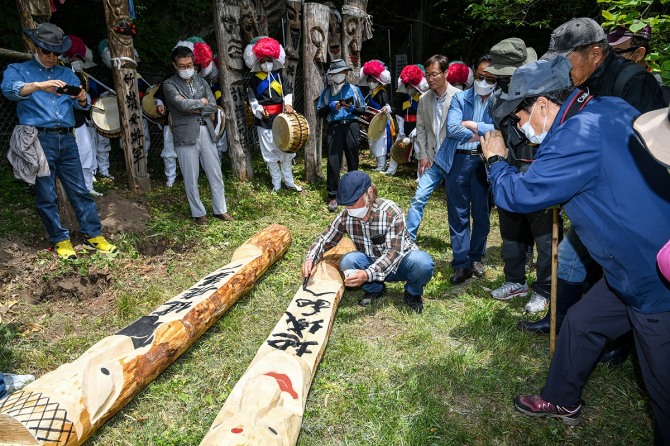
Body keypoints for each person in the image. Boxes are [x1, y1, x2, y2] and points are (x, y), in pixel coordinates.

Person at [480, 56, 670, 443]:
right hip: (627, 269)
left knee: (663, 385)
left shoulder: (573, 137)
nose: (519, 127)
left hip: (652, 279)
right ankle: (561, 398)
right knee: (582, 323)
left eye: (518, 118)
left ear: (544, 105)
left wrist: (496, 159)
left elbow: (518, 196)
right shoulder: (607, 106)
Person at [523, 18, 667, 364]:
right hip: (597, 195)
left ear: (595, 54)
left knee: (611, 270)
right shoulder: (586, 84)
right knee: (574, 260)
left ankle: (621, 340)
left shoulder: (635, 83)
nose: (560, 68)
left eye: (565, 59)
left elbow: (652, 151)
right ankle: (561, 321)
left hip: (635, 205)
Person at [2, 23, 118, 260]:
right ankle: (60, 240)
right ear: (36, 47)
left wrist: (84, 98)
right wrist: (38, 86)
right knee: (46, 194)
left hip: (66, 137)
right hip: (38, 138)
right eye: (46, 51)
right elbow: (8, 90)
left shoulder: (67, 73)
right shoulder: (19, 69)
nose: (51, 57)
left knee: (80, 189)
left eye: (56, 53)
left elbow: (80, 106)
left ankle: (94, 235)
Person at [484, 37, 555, 314]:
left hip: (540, 175)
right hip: (509, 172)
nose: (502, 80)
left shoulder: (547, 95)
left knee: (546, 239)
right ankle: (515, 280)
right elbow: (499, 127)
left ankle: (545, 289)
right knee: (510, 233)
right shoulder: (498, 96)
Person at [302, 171, 434, 313]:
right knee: (348, 261)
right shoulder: (346, 216)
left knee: (422, 263)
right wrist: (311, 258)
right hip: (370, 265)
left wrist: (366, 275)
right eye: (346, 205)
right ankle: (375, 288)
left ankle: (413, 293)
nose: (350, 208)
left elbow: (394, 252)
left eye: (353, 203)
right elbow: (325, 239)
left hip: (400, 263)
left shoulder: (390, 212)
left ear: (369, 193)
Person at [439, 55, 495, 283]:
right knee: (458, 214)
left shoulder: (499, 100)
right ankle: (461, 263)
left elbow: (500, 128)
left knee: (482, 213)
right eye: (480, 76)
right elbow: (452, 128)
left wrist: (473, 125)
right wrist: (483, 133)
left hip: (484, 161)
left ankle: (476, 258)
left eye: (490, 78)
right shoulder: (460, 98)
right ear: (474, 73)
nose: (484, 81)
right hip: (458, 161)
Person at [163, 45, 233, 225]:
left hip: (206, 130)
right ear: (175, 65)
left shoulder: (201, 81)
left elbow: (212, 105)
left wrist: (196, 106)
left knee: (215, 171)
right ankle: (198, 213)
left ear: (194, 63)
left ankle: (220, 209)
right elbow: (182, 105)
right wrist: (200, 104)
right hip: (185, 134)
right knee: (190, 175)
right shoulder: (169, 84)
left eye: (190, 65)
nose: (187, 69)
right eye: (182, 66)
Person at [406, 54, 462, 240]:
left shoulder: (459, 97)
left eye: (435, 74)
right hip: (432, 159)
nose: (430, 78)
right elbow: (420, 129)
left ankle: (459, 245)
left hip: (454, 158)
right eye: (427, 74)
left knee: (456, 204)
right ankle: (408, 239)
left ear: (446, 73)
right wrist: (422, 155)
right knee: (418, 198)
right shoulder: (424, 99)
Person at [244, 36, 302, 192]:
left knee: (287, 150)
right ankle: (276, 183)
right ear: (257, 61)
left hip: (282, 120)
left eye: (269, 59)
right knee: (269, 153)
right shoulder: (254, 81)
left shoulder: (280, 77)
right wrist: (258, 110)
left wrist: (288, 104)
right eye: (262, 60)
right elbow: (252, 100)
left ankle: (289, 182)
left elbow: (288, 93)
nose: (266, 63)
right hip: (264, 122)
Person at [316, 59, 366, 212]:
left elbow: (362, 109)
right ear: (331, 75)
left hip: (351, 126)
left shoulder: (354, 89)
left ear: (345, 73)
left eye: (341, 72)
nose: (338, 75)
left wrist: (351, 109)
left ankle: (355, 192)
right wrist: (329, 107)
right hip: (334, 127)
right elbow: (320, 112)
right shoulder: (326, 92)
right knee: (333, 161)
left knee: (353, 159)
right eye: (335, 73)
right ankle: (333, 195)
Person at [61, 34, 101, 197]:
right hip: (59, 125)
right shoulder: (60, 73)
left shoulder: (81, 77)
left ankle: (88, 185)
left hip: (78, 122)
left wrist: (84, 100)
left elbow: (86, 101)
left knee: (86, 154)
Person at [384, 64, 429, 176]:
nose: (408, 88)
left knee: (420, 151)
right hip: (405, 127)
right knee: (396, 147)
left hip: (417, 128)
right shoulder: (404, 97)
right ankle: (391, 170)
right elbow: (399, 112)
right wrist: (401, 128)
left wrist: (417, 129)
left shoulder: (423, 99)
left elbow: (424, 117)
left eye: (410, 86)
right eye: (407, 86)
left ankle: (421, 175)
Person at [359, 60, 393, 171]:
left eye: (373, 80)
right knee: (373, 142)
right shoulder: (370, 92)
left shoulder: (382, 92)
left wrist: (385, 109)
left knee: (380, 143)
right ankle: (378, 163)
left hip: (381, 122)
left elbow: (387, 106)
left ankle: (381, 165)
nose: (370, 82)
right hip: (372, 121)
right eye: (369, 80)